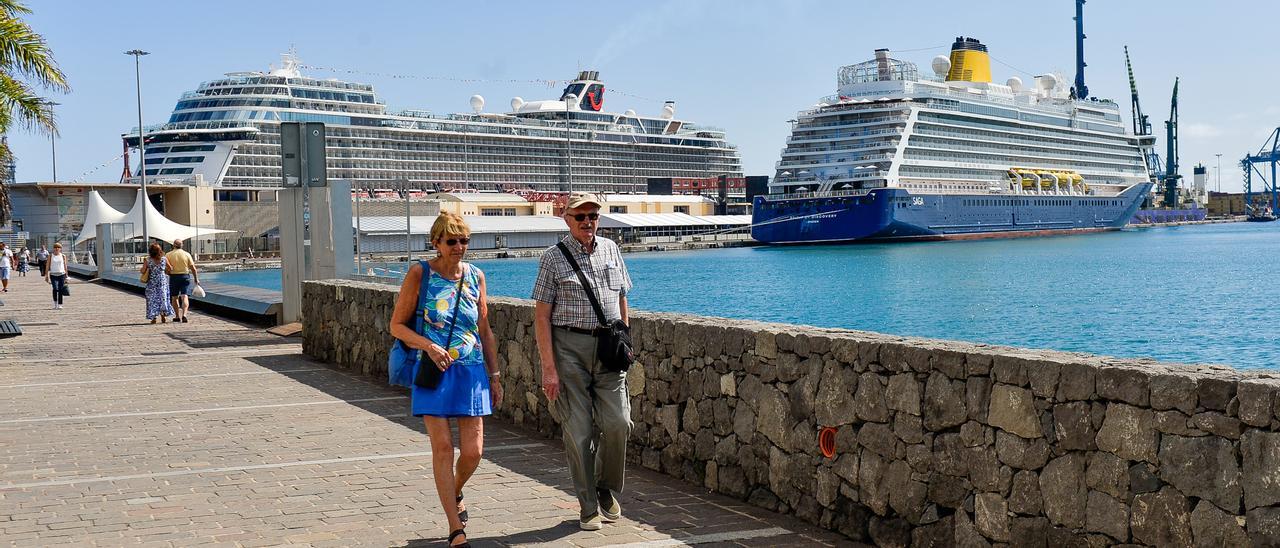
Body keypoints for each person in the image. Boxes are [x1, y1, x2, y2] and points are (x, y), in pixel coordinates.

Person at [389, 213, 501, 548]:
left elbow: (484, 329)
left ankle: (453, 491)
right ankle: (456, 529)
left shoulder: (476, 276)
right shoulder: (420, 273)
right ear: (436, 242)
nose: (458, 247)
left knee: (473, 452)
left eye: (464, 240)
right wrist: (429, 345)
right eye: (451, 240)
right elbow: (397, 326)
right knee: (442, 447)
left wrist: (495, 376)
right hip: (433, 370)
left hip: (471, 370)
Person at [532, 192, 634, 531]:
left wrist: (626, 340)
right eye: (580, 217)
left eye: (593, 216)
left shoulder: (611, 250)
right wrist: (549, 368)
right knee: (579, 431)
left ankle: (605, 486)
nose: (588, 222)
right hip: (569, 349)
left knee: (619, 423)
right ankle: (588, 505)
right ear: (566, 219)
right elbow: (542, 316)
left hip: (607, 348)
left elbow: (621, 299)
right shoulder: (552, 258)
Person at [164, 239, 198, 323]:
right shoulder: (187, 254)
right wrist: (196, 278)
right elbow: (193, 268)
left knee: (174, 297)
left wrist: (169, 273)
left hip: (174, 277)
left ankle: (177, 316)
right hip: (185, 276)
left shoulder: (168, 255)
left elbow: (166, 269)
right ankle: (184, 315)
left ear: (173, 245)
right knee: (184, 296)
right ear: (182, 245)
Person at [141, 243, 174, 324]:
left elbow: (143, 271)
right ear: (160, 250)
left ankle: (154, 317)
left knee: (152, 299)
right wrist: (163, 270)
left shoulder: (148, 260)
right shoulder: (164, 259)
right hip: (162, 281)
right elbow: (170, 268)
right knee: (162, 298)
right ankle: (163, 315)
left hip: (152, 282)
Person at [45, 242, 68, 309]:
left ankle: (60, 304)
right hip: (53, 274)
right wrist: (46, 275)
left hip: (62, 274)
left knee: (60, 289)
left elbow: (65, 266)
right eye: (55, 247)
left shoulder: (63, 256)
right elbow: (47, 266)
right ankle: (55, 303)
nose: (56, 249)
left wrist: (67, 276)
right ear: (53, 248)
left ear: (60, 249)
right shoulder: (50, 256)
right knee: (55, 288)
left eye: (58, 247)